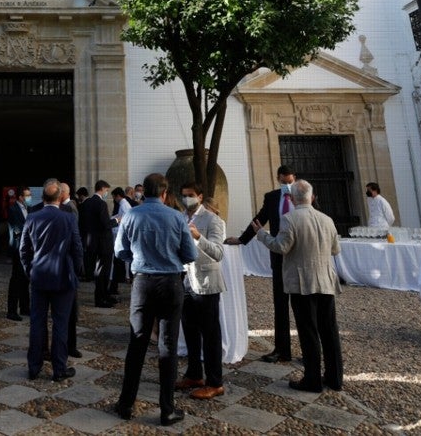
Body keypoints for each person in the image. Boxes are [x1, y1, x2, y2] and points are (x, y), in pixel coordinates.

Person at [113, 173, 196, 426]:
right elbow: (190, 253)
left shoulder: (132, 215)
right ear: (164, 192)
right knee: (168, 345)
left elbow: (119, 251)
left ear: (144, 192)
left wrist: (137, 259)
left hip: (143, 281)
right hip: (170, 282)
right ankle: (167, 409)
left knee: (137, 342)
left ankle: (126, 403)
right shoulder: (176, 216)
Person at [252, 179, 343, 393]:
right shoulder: (327, 219)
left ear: (291, 198)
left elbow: (281, 246)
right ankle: (335, 376)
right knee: (329, 330)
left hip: (302, 282)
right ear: (312, 197)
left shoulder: (289, 219)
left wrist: (262, 235)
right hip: (325, 280)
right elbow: (335, 249)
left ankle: (312, 378)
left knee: (308, 330)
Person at [227, 165, 296, 364]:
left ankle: (311, 351)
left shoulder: (304, 195)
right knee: (280, 303)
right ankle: (282, 349)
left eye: (290, 182)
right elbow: (260, 219)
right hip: (279, 255)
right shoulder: (272, 197)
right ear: (278, 179)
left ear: (295, 179)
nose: (287, 185)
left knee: (304, 306)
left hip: (300, 256)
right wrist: (242, 239)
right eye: (284, 182)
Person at [19, 181, 83, 381]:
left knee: (37, 323)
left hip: (39, 276)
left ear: (43, 198)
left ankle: (34, 367)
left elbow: (23, 249)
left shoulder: (32, 217)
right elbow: (77, 247)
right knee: (60, 324)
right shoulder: (68, 218)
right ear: (59, 198)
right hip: (63, 277)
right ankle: (59, 368)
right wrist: (77, 271)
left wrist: (30, 270)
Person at [177, 182, 227, 400]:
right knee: (190, 330)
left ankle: (215, 382)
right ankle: (195, 373)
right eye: (183, 196)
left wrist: (198, 237)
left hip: (206, 282)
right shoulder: (180, 217)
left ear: (199, 196)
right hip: (186, 281)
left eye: (190, 195)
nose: (186, 199)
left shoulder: (213, 220)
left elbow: (218, 252)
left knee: (210, 334)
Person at [80, 180, 117, 307]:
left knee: (98, 271)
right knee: (103, 272)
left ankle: (104, 295)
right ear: (102, 189)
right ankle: (100, 299)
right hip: (103, 243)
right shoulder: (101, 204)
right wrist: (117, 220)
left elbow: (83, 224)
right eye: (106, 190)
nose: (107, 193)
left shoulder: (87, 203)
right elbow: (105, 224)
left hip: (92, 242)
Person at [56, 181, 81, 358]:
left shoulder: (69, 209)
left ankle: (67, 347)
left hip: (64, 268)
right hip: (64, 268)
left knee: (68, 313)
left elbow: (75, 240)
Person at [6, 185, 31, 321]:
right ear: (21, 197)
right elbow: (16, 230)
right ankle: (11, 310)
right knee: (16, 279)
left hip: (27, 249)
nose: (29, 197)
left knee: (25, 279)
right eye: (27, 195)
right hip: (18, 249)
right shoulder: (13, 209)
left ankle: (25, 307)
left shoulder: (28, 209)